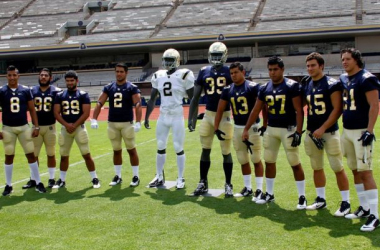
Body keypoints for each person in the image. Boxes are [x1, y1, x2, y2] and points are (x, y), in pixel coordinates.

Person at [242, 56, 307, 209]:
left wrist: (298, 130)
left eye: (275, 69)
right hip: (271, 129)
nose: (272, 72)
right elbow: (256, 110)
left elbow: (299, 110)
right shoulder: (264, 88)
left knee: (294, 162)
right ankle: (269, 194)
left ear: (282, 69)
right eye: (270, 70)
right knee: (269, 161)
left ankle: (302, 196)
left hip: (288, 129)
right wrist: (246, 128)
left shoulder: (292, 86)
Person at [302, 52, 351, 216]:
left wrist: (323, 128)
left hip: (329, 132)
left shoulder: (331, 84)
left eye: (313, 65)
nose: (310, 68)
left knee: (337, 167)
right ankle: (320, 199)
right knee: (316, 167)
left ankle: (346, 202)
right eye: (308, 65)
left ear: (321, 66)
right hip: (311, 132)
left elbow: (337, 110)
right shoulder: (307, 83)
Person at [339, 48, 379, 231]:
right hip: (346, 130)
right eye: (342, 59)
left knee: (365, 172)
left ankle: (375, 215)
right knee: (355, 170)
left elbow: (374, 105)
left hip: (361, 130)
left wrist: (369, 130)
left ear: (356, 60)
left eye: (347, 59)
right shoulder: (343, 78)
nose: (344, 62)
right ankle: (364, 208)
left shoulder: (366, 78)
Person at [188, 42, 234, 197]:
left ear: (225, 55)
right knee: (205, 149)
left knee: (226, 151)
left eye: (218, 55)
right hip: (208, 115)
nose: (215, 58)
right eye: (213, 55)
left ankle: (228, 184)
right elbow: (195, 97)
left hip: (225, 116)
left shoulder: (230, 71)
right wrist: (192, 118)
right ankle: (203, 182)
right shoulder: (203, 71)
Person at [144, 48, 194, 189]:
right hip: (163, 114)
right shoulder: (158, 75)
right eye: (166, 60)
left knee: (178, 146)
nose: (167, 63)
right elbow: (153, 98)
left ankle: (180, 178)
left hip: (177, 114)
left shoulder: (184, 74)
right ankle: (159, 176)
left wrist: (192, 118)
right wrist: (147, 116)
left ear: (177, 61)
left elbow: (193, 99)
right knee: (160, 145)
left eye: (170, 60)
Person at [214, 62, 265, 199]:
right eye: (231, 73)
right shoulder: (227, 89)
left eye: (236, 72)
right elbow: (220, 109)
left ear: (243, 72)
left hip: (253, 127)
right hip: (237, 127)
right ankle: (248, 188)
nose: (233, 75)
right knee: (242, 159)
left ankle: (259, 189)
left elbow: (262, 107)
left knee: (256, 158)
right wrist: (216, 127)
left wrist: (265, 123)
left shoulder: (253, 87)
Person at [91, 63, 142, 187]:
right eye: (117, 71)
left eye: (121, 72)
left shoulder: (132, 87)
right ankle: (118, 176)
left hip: (127, 123)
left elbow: (138, 104)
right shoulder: (109, 87)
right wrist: (93, 118)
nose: (119, 74)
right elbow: (99, 103)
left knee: (131, 150)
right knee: (116, 151)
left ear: (126, 73)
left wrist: (139, 121)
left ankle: (136, 176)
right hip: (113, 123)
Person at [0, 65, 46, 196]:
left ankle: (38, 182)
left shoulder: (25, 90)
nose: (12, 77)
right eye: (10, 75)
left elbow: (32, 109)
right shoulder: (2, 91)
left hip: (24, 127)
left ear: (18, 76)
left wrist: (36, 126)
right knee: (9, 155)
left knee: (31, 155)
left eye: (14, 75)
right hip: (8, 128)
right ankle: (8, 185)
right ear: (6, 76)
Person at [53, 70, 100, 189]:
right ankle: (62, 180)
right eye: (67, 81)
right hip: (65, 128)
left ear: (76, 81)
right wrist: (67, 125)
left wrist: (73, 125)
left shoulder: (83, 94)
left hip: (79, 128)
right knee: (63, 155)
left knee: (86, 154)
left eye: (71, 80)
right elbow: (56, 113)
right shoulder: (60, 95)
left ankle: (94, 178)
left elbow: (86, 113)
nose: (69, 83)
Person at [22, 68, 62, 189]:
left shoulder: (56, 91)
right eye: (41, 75)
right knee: (33, 155)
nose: (43, 77)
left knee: (51, 153)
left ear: (50, 77)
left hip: (50, 126)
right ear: (39, 77)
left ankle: (51, 178)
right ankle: (33, 179)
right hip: (35, 127)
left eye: (46, 75)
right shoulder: (31, 91)